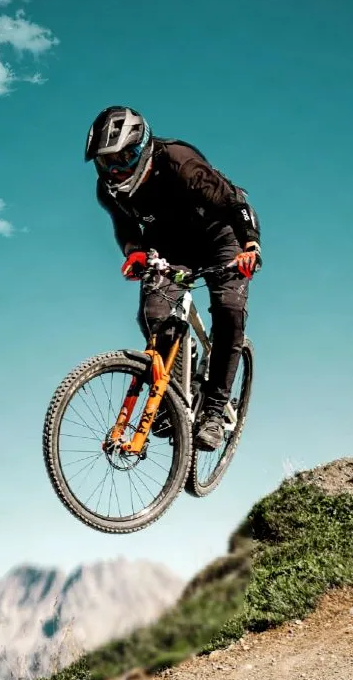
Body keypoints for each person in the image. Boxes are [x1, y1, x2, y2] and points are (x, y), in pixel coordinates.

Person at [84, 105, 262, 450]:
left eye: (125, 157)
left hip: (222, 238)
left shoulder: (181, 163)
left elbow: (235, 205)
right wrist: (133, 251)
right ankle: (175, 395)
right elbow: (125, 226)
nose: (117, 170)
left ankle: (212, 411)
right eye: (107, 161)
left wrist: (251, 246)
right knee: (153, 317)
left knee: (228, 310)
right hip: (170, 248)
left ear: (144, 146)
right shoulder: (107, 190)